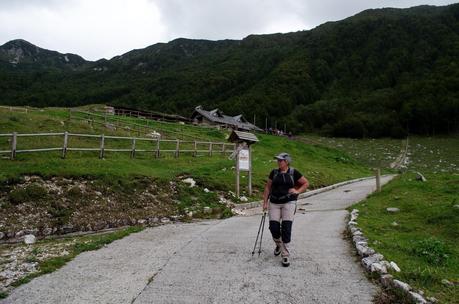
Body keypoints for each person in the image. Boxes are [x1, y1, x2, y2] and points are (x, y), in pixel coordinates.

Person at [262, 152, 309, 267]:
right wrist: (264, 202)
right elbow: (268, 187)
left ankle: (285, 255)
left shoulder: (294, 172)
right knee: (274, 228)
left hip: (289, 202)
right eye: (277, 160)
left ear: (286, 161)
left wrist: (297, 191)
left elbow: (306, 183)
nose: (278, 162)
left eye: (280, 160)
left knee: (286, 228)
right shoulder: (274, 172)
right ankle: (278, 244)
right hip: (274, 202)